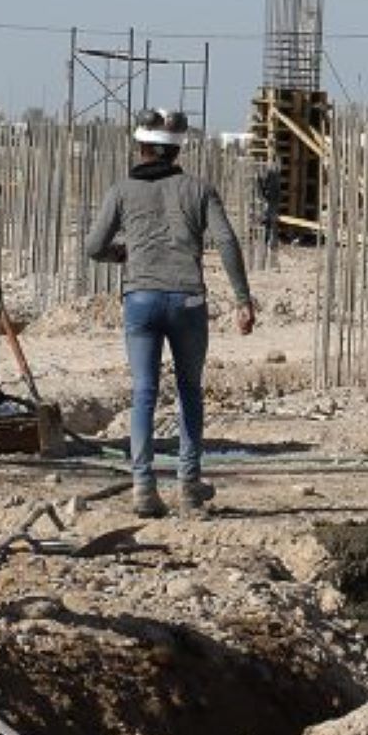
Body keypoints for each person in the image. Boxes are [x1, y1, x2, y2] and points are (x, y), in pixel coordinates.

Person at [85, 109, 257, 517]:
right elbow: (227, 242)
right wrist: (242, 299)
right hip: (188, 301)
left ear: (140, 147)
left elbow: (93, 246)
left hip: (140, 299)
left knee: (143, 393)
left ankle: (144, 487)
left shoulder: (121, 190)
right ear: (177, 149)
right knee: (189, 391)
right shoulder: (199, 189)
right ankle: (189, 485)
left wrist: (122, 253)